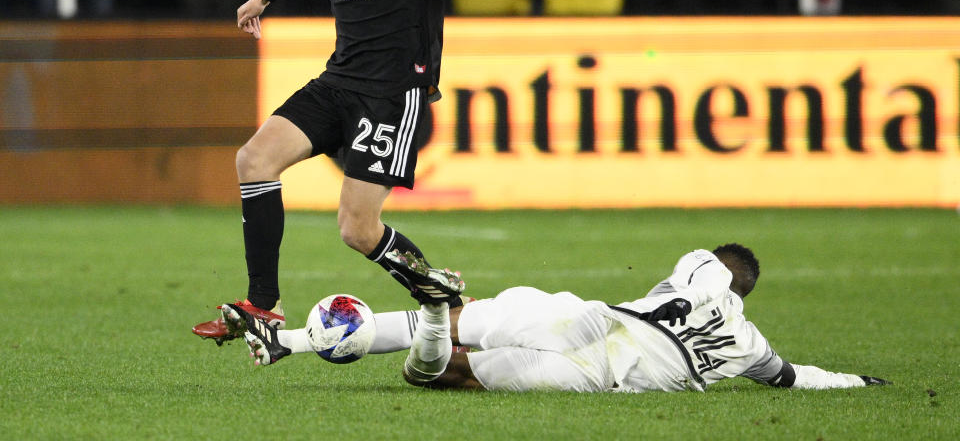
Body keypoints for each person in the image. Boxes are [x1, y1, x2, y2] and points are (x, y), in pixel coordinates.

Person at [191, 0, 480, 344]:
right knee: (253, 160)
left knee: (357, 229)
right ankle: (264, 304)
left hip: (393, 91)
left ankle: (444, 299)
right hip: (339, 79)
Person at [226, 243, 890, 393]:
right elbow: (795, 378)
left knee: (461, 317)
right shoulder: (750, 344)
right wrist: (858, 384)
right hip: (606, 370)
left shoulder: (701, 267)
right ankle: (432, 316)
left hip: (584, 316)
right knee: (440, 374)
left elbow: (716, 267)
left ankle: (284, 341)